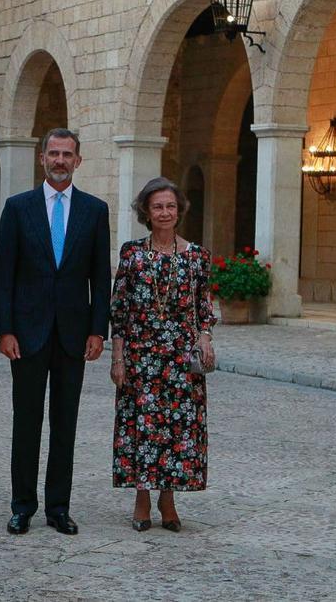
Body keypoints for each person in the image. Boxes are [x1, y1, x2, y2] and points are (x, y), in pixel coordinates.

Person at [0, 127, 111, 535]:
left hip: (74, 335)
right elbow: (3, 275)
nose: (60, 161)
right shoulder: (18, 207)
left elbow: (101, 276)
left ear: (78, 161)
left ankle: (59, 507)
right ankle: (22, 505)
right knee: (26, 422)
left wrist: (99, 330)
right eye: (54, 153)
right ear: (42, 158)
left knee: (65, 423)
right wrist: (4, 329)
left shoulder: (95, 211)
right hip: (26, 335)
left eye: (67, 154)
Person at [109, 177, 215, 532]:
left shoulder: (197, 256)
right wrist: (118, 359)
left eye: (170, 206)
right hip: (141, 358)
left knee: (177, 429)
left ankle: (167, 497)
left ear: (179, 210)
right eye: (158, 207)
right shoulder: (132, 254)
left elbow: (204, 308)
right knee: (141, 428)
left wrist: (205, 339)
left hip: (181, 362)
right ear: (146, 212)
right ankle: (141, 496)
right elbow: (119, 311)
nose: (165, 212)